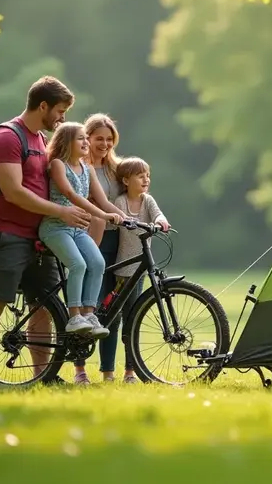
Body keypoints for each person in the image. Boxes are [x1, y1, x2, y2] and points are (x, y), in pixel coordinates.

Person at [0, 75, 90, 387]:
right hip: (5, 234)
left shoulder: (40, 139)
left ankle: (44, 376)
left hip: (38, 238)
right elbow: (13, 191)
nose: (63, 118)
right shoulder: (8, 137)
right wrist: (61, 212)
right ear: (43, 106)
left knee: (43, 308)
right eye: (60, 111)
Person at [39, 121, 125, 343]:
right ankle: (74, 316)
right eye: (81, 138)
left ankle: (89, 314)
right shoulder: (58, 164)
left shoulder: (87, 169)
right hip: (55, 228)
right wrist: (104, 217)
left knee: (98, 264)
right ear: (66, 141)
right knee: (78, 264)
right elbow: (71, 195)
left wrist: (127, 219)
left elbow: (104, 201)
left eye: (86, 138)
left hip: (76, 229)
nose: (86, 142)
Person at [110, 156, 171, 384]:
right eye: (140, 175)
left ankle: (129, 372)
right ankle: (108, 370)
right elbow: (121, 221)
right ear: (126, 180)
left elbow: (158, 214)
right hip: (122, 268)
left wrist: (162, 222)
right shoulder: (120, 202)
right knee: (113, 319)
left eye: (148, 175)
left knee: (132, 319)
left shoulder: (147, 201)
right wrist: (128, 222)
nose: (146, 179)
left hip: (139, 270)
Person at [80, 113, 129, 382]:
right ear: (87, 138)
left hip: (116, 242)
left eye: (109, 139)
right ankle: (80, 370)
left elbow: (136, 193)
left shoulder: (117, 170)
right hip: (86, 238)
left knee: (113, 310)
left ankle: (108, 372)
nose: (105, 144)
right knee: (88, 306)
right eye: (99, 138)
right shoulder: (76, 167)